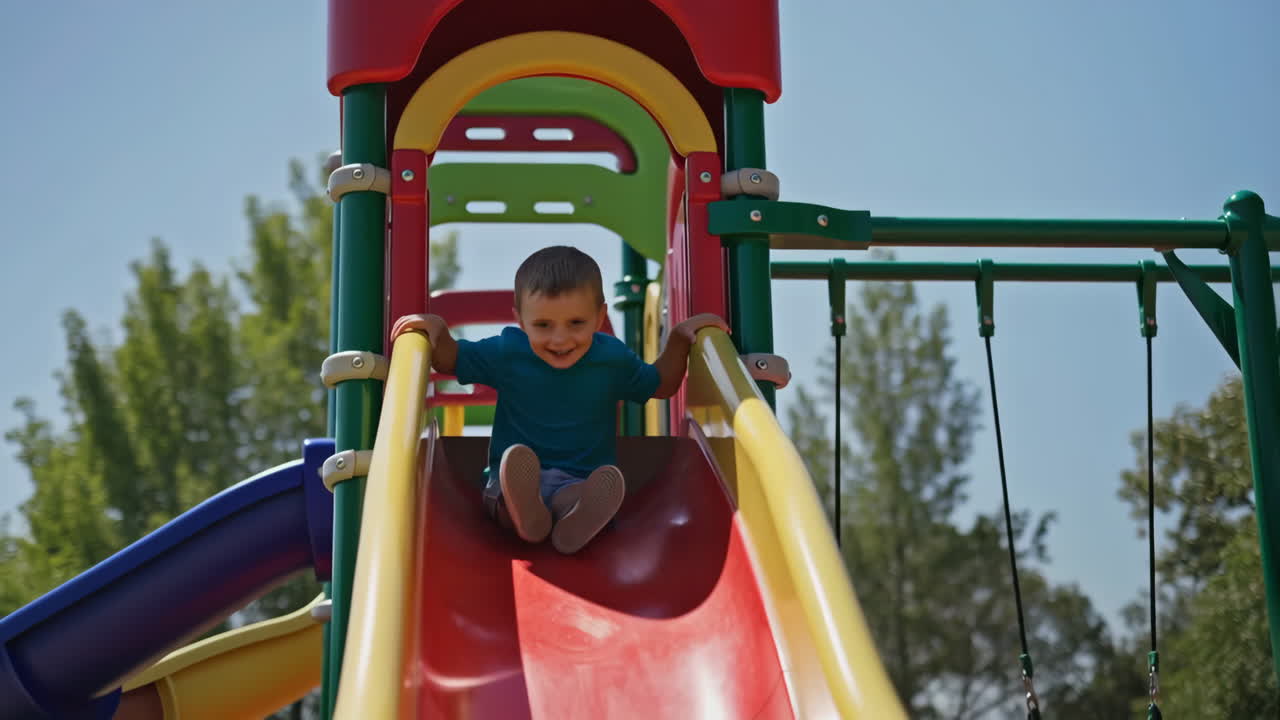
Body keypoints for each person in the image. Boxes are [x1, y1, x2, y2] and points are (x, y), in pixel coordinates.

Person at [391, 245, 728, 554]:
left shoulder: (611, 359)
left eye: (576, 323)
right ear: (520, 320)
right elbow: (452, 360)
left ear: (599, 317)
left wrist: (680, 341)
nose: (560, 338)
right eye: (543, 325)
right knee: (507, 495)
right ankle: (527, 517)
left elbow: (659, 384)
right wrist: (436, 330)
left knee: (578, 495)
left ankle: (575, 520)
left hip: (579, 481)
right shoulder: (509, 351)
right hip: (514, 475)